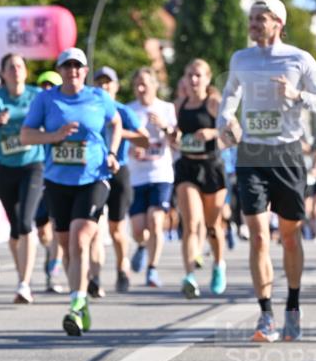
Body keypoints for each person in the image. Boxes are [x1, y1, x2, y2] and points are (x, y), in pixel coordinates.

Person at [218, 0, 316, 342]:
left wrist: (298, 95)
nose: (254, 24)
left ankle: (293, 307)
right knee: (256, 234)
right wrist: (226, 121)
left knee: (289, 235)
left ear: (278, 24)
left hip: (287, 155)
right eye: (252, 18)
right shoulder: (241, 58)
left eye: (261, 18)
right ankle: (266, 314)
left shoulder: (299, 58)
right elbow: (228, 98)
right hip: (252, 152)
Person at [20, 47, 122, 336]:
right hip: (57, 181)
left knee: (79, 239)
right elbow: (26, 134)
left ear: (85, 71)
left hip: (94, 177)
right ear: (60, 70)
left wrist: (113, 152)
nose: (72, 71)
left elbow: (116, 123)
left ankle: (76, 304)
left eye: (78, 66)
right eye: (67, 66)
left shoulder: (98, 97)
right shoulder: (46, 99)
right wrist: (53, 136)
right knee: (66, 247)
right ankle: (82, 298)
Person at [0, 54, 44, 303]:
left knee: (26, 222)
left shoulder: (37, 96)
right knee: (15, 229)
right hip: (5, 168)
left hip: (33, 165)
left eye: (19, 66)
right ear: (3, 73)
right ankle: (22, 276)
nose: (15, 70)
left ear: (25, 70)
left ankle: (24, 283)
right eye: (10, 67)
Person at [89, 66, 147, 295]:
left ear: (116, 87)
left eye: (108, 82)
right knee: (94, 228)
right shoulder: (89, 108)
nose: (103, 86)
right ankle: (94, 278)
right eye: (99, 82)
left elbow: (145, 139)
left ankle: (123, 268)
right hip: (93, 173)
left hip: (119, 172)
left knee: (116, 229)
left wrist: (120, 132)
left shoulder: (122, 111)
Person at [174, 59, 228, 298]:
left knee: (212, 226)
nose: (193, 80)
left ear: (207, 78)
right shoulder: (180, 104)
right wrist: (171, 137)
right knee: (191, 222)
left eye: (198, 76)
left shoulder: (214, 103)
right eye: (190, 76)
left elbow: (234, 131)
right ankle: (189, 277)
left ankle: (218, 264)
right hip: (187, 166)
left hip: (211, 166)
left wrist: (213, 132)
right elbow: (174, 135)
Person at [126, 67, 177, 288]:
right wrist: (131, 150)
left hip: (161, 173)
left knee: (156, 221)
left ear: (154, 85)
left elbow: (176, 140)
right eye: (137, 84)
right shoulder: (128, 110)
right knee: (139, 230)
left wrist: (164, 127)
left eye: (144, 84)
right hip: (137, 176)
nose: (140, 89)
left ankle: (152, 269)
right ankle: (142, 246)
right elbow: (122, 139)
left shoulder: (166, 108)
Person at [35, 70, 65, 293]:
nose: (47, 90)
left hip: (56, 178)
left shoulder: (62, 116)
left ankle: (53, 271)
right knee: (43, 232)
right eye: (43, 86)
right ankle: (50, 256)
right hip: (37, 178)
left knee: (57, 227)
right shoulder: (34, 114)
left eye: (51, 86)